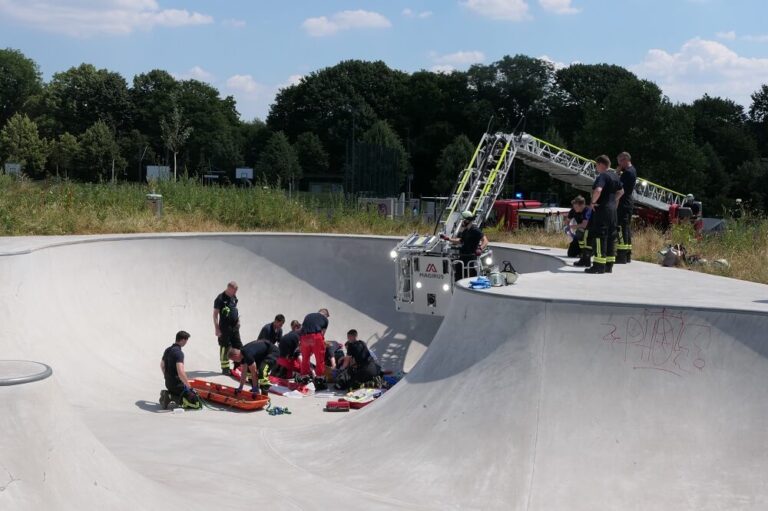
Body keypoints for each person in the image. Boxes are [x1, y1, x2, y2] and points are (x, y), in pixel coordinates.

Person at [585, 155, 623, 274]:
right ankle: (608, 265)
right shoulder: (615, 176)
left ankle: (598, 266)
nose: (596, 167)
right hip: (612, 211)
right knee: (611, 237)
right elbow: (621, 192)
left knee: (599, 236)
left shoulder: (603, 176)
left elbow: (598, 190)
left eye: (596, 165)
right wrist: (612, 202)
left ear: (601, 164)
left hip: (602, 210)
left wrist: (592, 203)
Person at [441, 210, 489, 280]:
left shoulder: (475, 230)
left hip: (470, 259)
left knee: (470, 276)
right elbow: (460, 240)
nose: (462, 222)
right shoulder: (465, 231)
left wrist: (480, 248)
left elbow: (485, 241)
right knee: (458, 275)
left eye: (463, 221)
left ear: (467, 221)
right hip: (463, 257)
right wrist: (448, 239)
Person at [159, 331, 201, 410]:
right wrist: (188, 385)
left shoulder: (167, 350)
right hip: (177, 386)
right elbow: (180, 372)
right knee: (196, 403)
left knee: (183, 392)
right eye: (186, 340)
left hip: (168, 383)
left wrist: (166, 376)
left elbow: (162, 365)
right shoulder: (179, 353)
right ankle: (171, 397)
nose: (186, 343)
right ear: (183, 340)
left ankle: (169, 395)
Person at [213, 282, 242, 375]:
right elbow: (215, 315)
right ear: (229, 288)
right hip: (225, 328)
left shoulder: (234, 297)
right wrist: (217, 328)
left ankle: (237, 364)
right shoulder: (220, 298)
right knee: (225, 346)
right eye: (234, 290)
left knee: (238, 345)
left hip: (235, 327)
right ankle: (225, 368)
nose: (236, 292)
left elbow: (235, 309)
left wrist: (238, 321)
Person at [298, 308, 330, 390]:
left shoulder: (308, 315)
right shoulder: (325, 320)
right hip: (316, 336)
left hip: (304, 337)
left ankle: (304, 377)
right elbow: (322, 334)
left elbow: (302, 328)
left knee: (305, 358)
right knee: (319, 359)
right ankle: (319, 378)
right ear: (325, 314)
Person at [616, 152, 637, 264]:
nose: (619, 164)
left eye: (619, 162)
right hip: (628, 203)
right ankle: (627, 254)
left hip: (623, 203)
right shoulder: (632, 170)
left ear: (624, 160)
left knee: (621, 229)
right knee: (626, 229)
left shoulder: (627, 173)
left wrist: (617, 173)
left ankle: (622, 256)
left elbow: (618, 187)